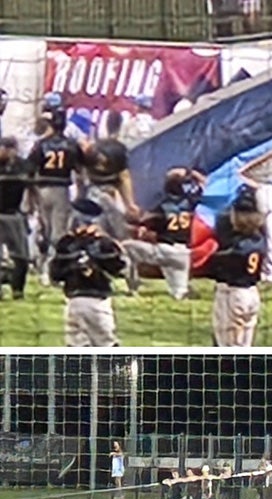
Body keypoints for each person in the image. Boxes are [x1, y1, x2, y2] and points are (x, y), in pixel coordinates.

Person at [49, 200, 127, 347]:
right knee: (107, 346)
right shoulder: (105, 243)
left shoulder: (65, 243)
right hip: (98, 302)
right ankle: (124, 371)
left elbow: (55, 275)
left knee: (76, 348)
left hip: (73, 302)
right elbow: (119, 268)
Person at [129, 168, 202, 299]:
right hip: (184, 255)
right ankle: (182, 290)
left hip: (164, 250)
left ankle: (133, 287)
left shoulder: (162, 206)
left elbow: (145, 225)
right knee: (179, 293)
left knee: (126, 247)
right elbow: (203, 187)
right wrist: (191, 173)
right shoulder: (190, 203)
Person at [209, 185, 267, 346]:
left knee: (228, 343)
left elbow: (216, 264)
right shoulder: (260, 241)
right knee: (245, 344)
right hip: (253, 293)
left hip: (234, 295)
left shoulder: (236, 248)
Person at [28, 110, 84, 276]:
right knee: (58, 231)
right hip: (61, 189)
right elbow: (80, 168)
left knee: (43, 227)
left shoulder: (41, 144)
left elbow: (30, 168)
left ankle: (39, 261)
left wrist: (31, 195)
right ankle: (51, 268)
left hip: (42, 188)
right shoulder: (71, 144)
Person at [82, 110, 139, 244]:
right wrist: (130, 203)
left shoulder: (92, 148)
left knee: (93, 232)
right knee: (118, 234)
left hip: (92, 192)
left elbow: (82, 175)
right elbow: (124, 177)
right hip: (112, 193)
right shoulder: (119, 149)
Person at [0, 137, 32, 300]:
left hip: (14, 213)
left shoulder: (22, 165)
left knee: (21, 256)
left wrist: (31, 206)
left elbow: (32, 186)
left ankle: (17, 290)